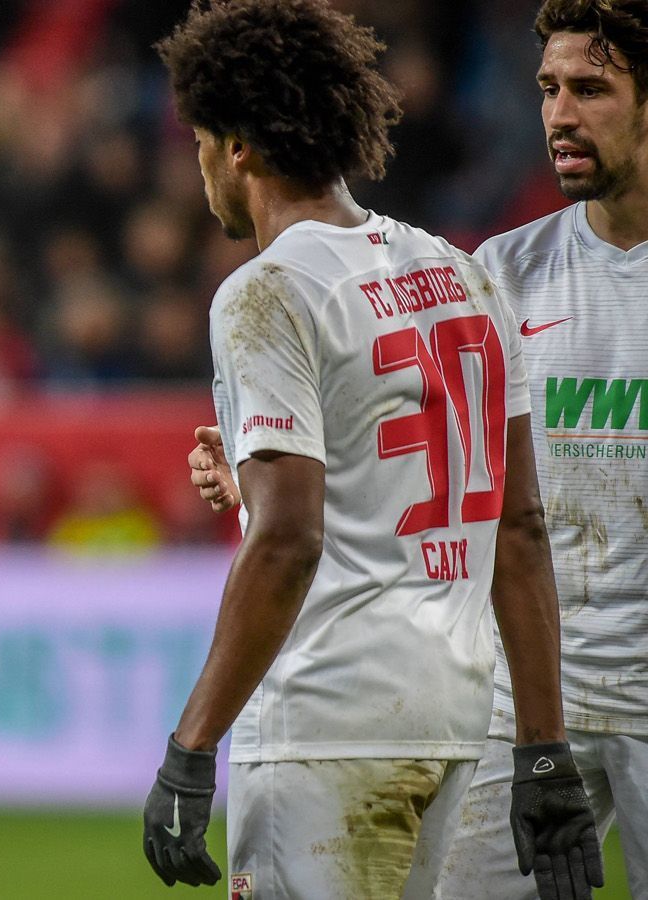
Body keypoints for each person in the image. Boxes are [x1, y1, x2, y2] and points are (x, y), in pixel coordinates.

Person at [145, 2, 602, 898]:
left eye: (200, 138)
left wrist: (191, 748)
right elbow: (518, 525)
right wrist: (542, 747)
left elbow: (290, 540)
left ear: (237, 145)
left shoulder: (265, 292)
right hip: (454, 720)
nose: (198, 164)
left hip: (329, 722)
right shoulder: (460, 271)